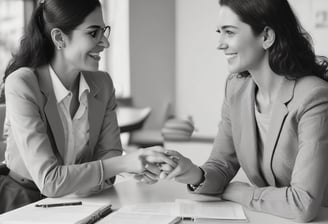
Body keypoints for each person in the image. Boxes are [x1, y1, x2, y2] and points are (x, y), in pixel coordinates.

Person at [0, 0, 175, 214]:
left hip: (82, 201)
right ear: (59, 38)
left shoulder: (102, 83)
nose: (105, 43)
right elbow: (49, 181)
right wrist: (124, 164)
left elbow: (110, 155)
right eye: (93, 33)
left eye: (104, 31)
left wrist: (128, 166)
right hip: (24, 202)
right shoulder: (23, 83)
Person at [160, 0, 328, 222]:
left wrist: (240, 192)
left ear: (266, 36)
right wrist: (192, 172)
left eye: (229, 32)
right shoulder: (236, 88)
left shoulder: (314, 96)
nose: (220, 44)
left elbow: (302, 203)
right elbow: (221, 165)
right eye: (219, 32)